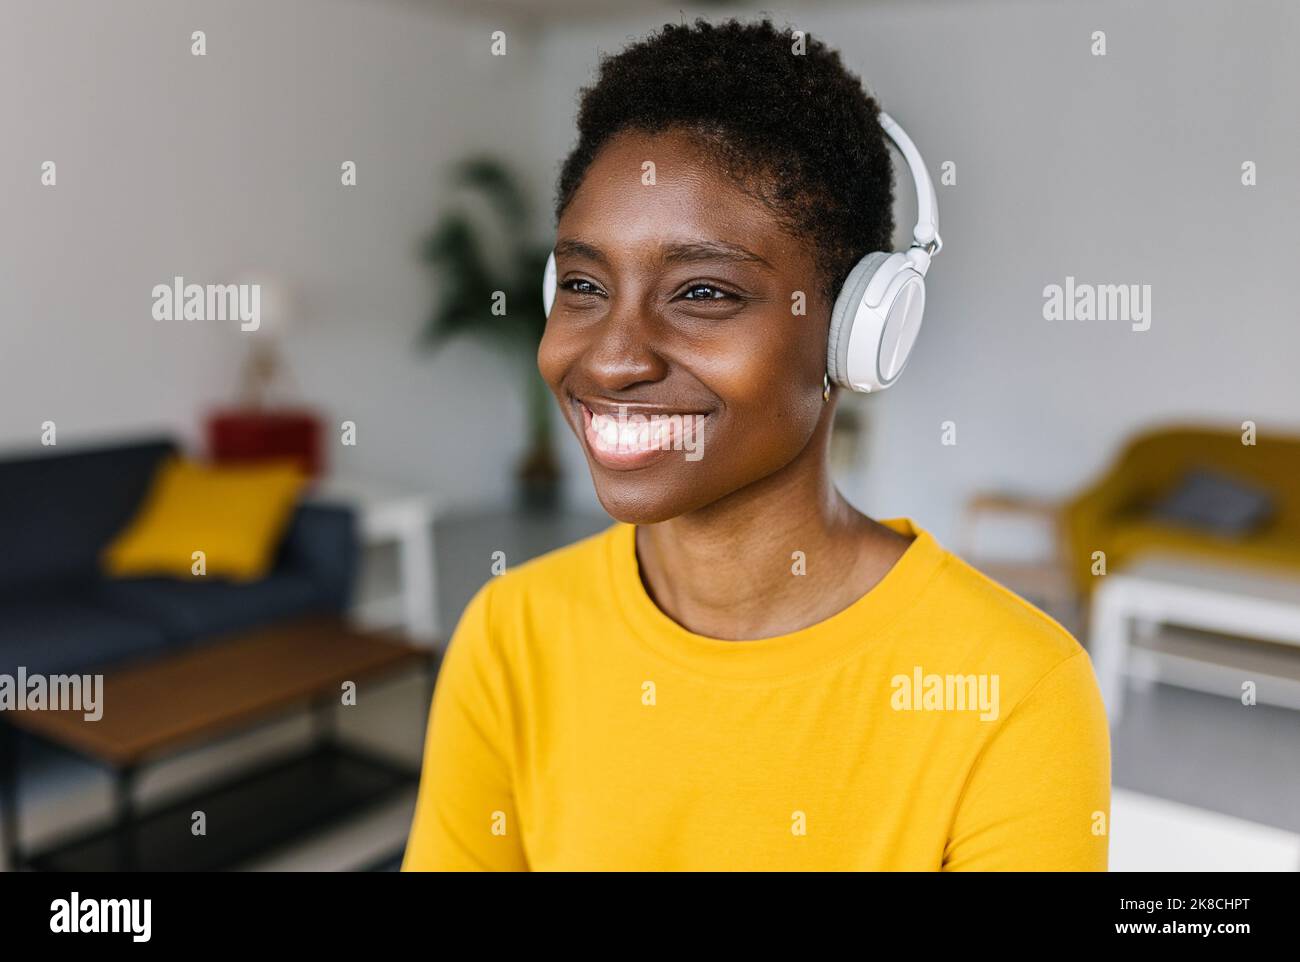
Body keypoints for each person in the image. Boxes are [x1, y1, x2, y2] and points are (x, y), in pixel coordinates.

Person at [402, 18, 1109, 871]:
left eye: (702, 291)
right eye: (585, 286)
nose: (614, 356)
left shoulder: (1015, 691)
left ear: (857, 333)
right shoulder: (508, 635)